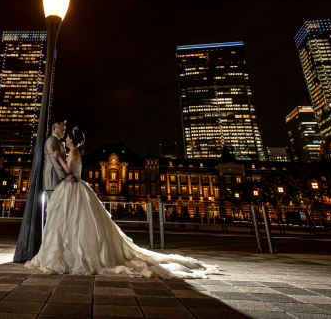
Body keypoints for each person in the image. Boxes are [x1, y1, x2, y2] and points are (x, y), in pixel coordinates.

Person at [26, 126, 216, 279]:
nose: (65, 139)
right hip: (78, 189)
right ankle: (76, 253)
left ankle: (71, 254)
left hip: (72, 188)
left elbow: (68, 171)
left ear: (71, 140)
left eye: (67, 137)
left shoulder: (72, 151)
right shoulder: (76, 151)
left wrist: (58, 156)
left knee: (71, 223)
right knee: (81, 223)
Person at [43, 120, 77, 212]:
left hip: (57, 181)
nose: (64, 131)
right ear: (54, 128)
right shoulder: (51, 140)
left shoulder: (58, 142)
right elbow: (54, 160)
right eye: (62, 128)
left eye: (65, 129)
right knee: (53, 211)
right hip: (52, 180)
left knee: (57, 211)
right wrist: (65, 176)